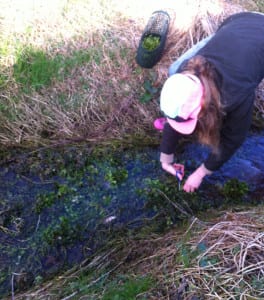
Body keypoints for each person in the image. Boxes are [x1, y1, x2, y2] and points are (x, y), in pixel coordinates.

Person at [155, 11, 264, 193]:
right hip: (235, 23)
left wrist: (200, 173)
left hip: (255, 30)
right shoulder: (184, 72)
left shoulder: (235, 93)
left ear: (204, 105)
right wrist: (166, 159)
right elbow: (178, 113)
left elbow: (233, 139)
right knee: (173, 69)